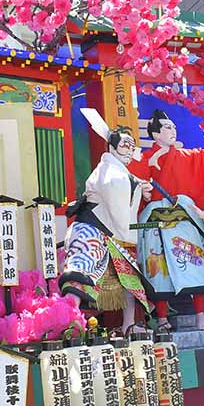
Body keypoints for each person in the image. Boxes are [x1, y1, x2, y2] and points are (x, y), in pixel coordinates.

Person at [129, 110, 204, 330]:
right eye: (166, 127)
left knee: (195, 264)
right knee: (158, 270)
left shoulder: (184, 156)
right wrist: (147, 172)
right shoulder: (144, 158)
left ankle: (201, 317)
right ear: (155, 134)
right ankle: (162, 319)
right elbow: (133, 182)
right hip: (156, 222)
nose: (172, 131)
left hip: (184, 218)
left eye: (173, 127)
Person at [60, 126, 154, 335]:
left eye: (132, 146)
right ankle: (69, 321)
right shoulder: (112, 174)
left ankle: (128, 324)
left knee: (130, 280)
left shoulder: (118, 171)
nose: (129, 150)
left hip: (107, 233)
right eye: (124, 145)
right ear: (112, 147)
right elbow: (119, 214)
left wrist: (138, 186)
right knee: (79, 278)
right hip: (92, 232)